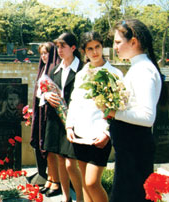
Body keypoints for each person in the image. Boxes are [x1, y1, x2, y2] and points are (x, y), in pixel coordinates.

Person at [104, 19, 164, 202]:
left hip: (135, 152)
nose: (114, 47)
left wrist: (114, 113)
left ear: (133, 42)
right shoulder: (138, 67)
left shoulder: (144, 70)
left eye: (117, 42)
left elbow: (147, 117)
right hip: (130, 150)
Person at [66, 31, 123, 202]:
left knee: (92, 183)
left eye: (97, 46)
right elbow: (74, 101)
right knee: (85, 183)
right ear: (84, 51)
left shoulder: (114, 73)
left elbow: (118, 108)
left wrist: (107, 133)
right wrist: (70, 126)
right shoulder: (82, 73)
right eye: (90, 48)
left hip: (100, 135)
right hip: (80, 133)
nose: (95, 52)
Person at [44, 32, 83, 202]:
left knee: (70, 163)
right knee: (60, 160)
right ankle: (66, 198)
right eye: (57, 46)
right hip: (56, 120)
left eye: (63, 46)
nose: (59, 50)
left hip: (75, 121)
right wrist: (45, 96)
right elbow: (46, 90)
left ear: (73, 48)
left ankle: (81, 198)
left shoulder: (82, 69)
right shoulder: (54, 70)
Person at [29, 42, 61, 196]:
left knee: (51, 149)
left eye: (46, 53)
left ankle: (56, 181)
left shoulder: (54, 70)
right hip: (41, 112)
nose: (43, 56)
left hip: (51, 115)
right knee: (45, 148)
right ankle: (50, 177)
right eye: (41, 53)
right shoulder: (42, 69)